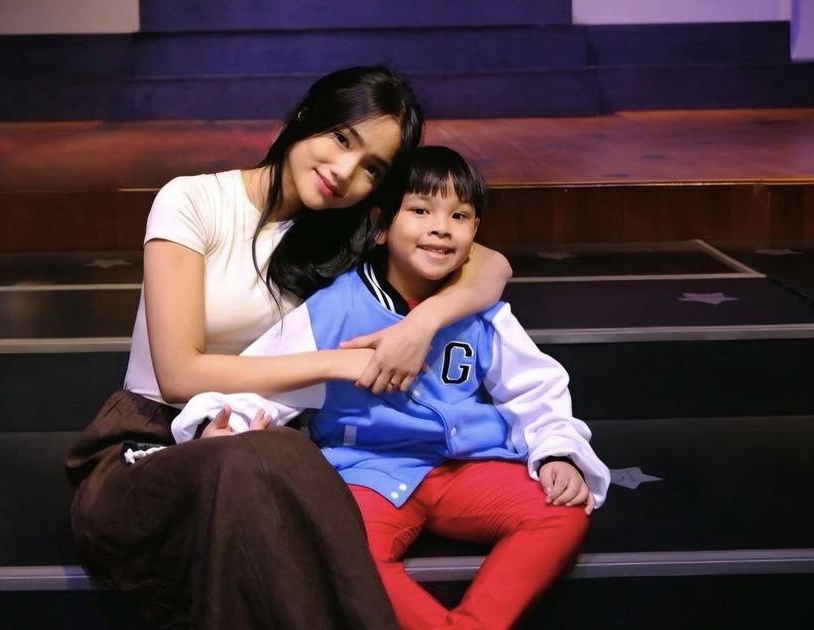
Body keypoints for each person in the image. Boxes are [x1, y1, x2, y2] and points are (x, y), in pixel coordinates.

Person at [65, 68, 513, 630]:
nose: (345, 172)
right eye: (342, 139)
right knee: (256, 466)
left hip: (264, 450)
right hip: (150, 447)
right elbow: (179, 374)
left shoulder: (346, 237)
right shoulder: (193, 201)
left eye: (372, 169)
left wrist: (420, 325)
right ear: (307, 116)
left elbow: (492, 265)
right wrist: (341, 362)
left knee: (266, 465)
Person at [179, 146, 610, 629]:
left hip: (465, 467)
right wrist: (225, 423)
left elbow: (534, 388)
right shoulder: (335, 307)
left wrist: (556, 454)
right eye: (420, 210)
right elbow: (266, 378)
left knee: (562, 510)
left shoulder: (482, 311)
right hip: (366, 473)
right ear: (381, 226)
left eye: (459, 216)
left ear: (475, 233)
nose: (441, 227)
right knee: (342, 550)